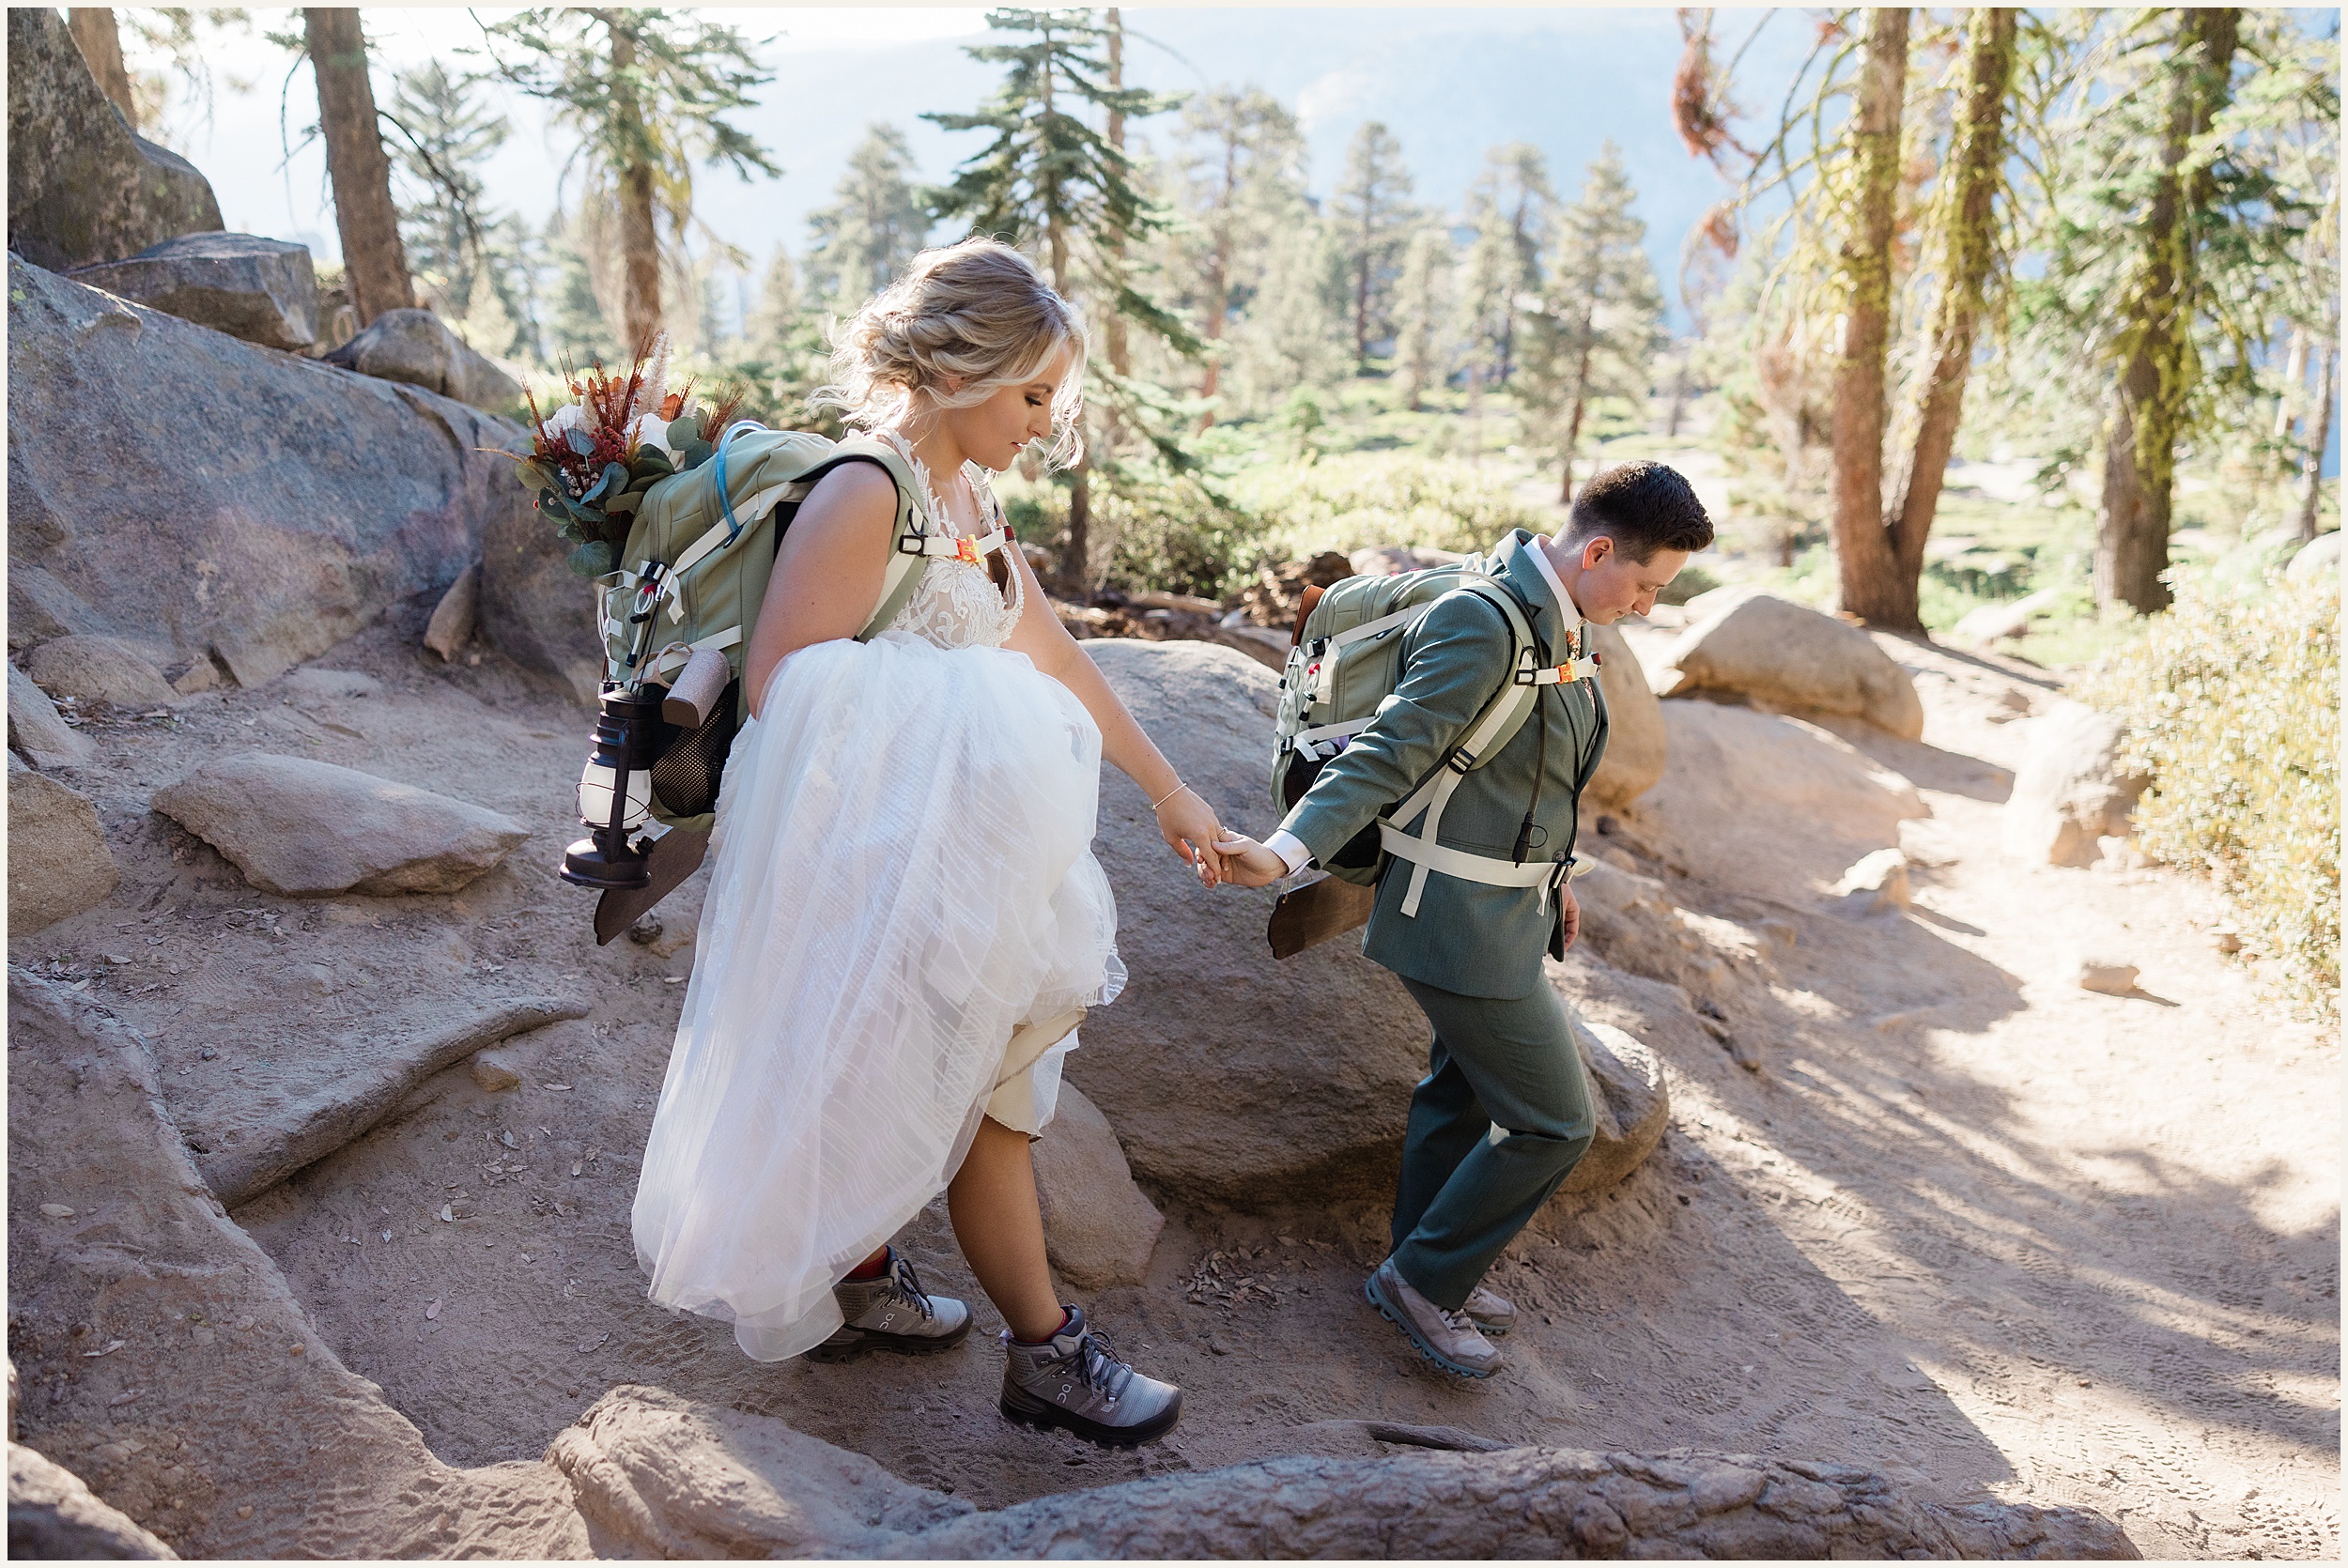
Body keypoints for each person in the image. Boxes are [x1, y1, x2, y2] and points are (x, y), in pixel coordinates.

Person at [631, 238, 1220, 1448]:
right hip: (881, 859)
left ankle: (859, 1279)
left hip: (957, 860)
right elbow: (794, 687)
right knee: (981, 1097)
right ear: (961, 369)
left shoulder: (971, 498)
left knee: (924, 1081)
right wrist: (961, 713)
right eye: (1034, 394)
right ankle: (1047, 1353)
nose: (1045, 424)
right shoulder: (868, 490)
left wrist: (1170, 792)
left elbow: (1048, 652)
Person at [1217, 462, 1713, 1377]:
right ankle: (1420, 1279)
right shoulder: (1481, 618)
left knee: (1462, 1089)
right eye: (1645, 584)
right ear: (1597, 549)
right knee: (1555, 1122)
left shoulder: (1553, 619)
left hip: (1504, 902)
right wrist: (1286, 851)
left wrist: (1549, 871)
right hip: (1451, 915)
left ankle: (1429, 1254)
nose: (1646, 604)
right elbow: (1388, 752)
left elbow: (1528, 767)